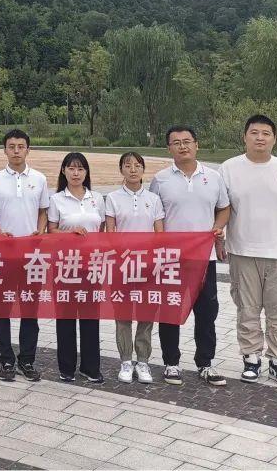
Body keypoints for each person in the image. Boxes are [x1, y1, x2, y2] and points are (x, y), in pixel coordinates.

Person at [220, 115, 277, 388]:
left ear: (274, 138)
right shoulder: (229, 169)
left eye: (266, 133)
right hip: (243, 252)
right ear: (244, 136)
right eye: (254, 132)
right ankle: (251, 359)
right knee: (247, 309)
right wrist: (218, 238)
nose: (260, 138)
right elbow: (221, 208)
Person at [149, 126, 229, 386]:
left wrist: (218, 227)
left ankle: (205, 363)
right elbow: (154, 216)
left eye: (187, 141)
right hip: (171, 259)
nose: (182, 146)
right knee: (170, 310)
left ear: (197, 145)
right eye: (176, 143)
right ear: (168, 149)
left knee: (207, 312)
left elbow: (224, 208)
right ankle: (171, 363)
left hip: (204, 258)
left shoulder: (214, 177)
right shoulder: (160, 180)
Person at [0, 128, 49, 382]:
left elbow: (43, 211)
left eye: (21, 146)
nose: (16, 151)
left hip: (33, 256)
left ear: (28, 150)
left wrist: (40, 231)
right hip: (4, 254)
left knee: (30, 309)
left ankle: (27, 359)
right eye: (11, 147)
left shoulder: (39, 179)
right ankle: (7, 359)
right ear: (4, 150)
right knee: (2, 308)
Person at [105, 152, 164, 384]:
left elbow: (159, 233)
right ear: (121, 169)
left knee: (146, 314)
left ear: (143, 170)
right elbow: (110, 233)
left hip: (148, 265)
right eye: (127, 165)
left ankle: (143, 361)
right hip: (122, 265)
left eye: (137, 165)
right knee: (123, 314)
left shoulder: (153, 199)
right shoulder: (112, 198)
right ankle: (126, 361)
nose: (132, 169)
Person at [47, 152, 105, 383]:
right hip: (65, 266)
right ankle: (67, 367)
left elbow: (102, 229)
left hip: (92, 266)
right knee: (65, 318)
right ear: (63, 171)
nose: (76, 173)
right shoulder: (56, 199)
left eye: (80, 169)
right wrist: (70, 233)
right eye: (71, 168)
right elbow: (50, 230)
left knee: (91, 318)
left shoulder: (97, 198)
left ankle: (90, 367)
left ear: (86, 172)